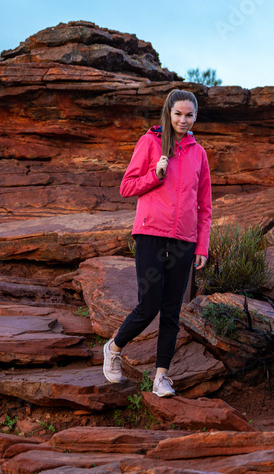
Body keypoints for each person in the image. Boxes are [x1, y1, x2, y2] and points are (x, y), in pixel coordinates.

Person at [102, 89, 212, 397]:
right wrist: (155, 174)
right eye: (178, 113)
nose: (183, 119)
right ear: (168, 113)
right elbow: (126, 187)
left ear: (195, 117)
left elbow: (205, 205)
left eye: (189, 115)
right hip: (151, 234)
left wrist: (201, 246)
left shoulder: (198, 153)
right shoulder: (150, 142)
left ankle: (161, 376)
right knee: (148, 305)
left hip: (184, 241)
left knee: (172, 310)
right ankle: (114, 347)